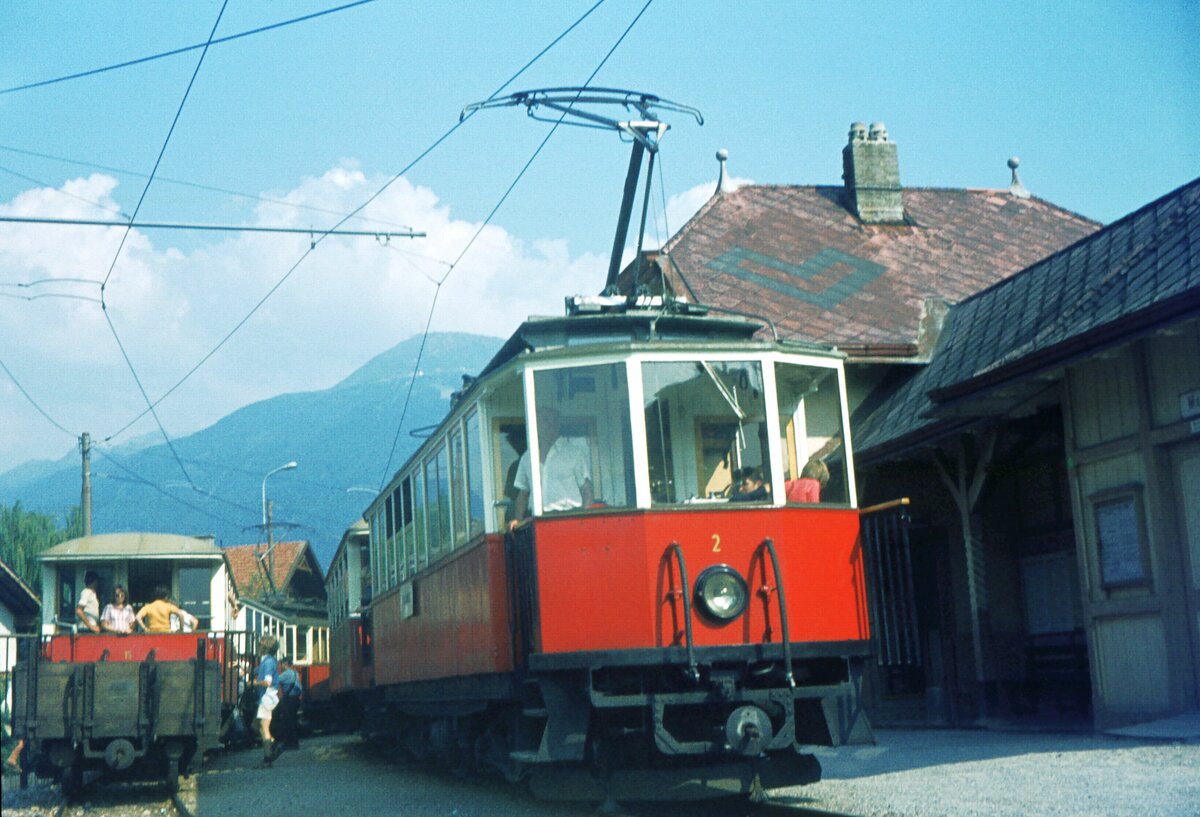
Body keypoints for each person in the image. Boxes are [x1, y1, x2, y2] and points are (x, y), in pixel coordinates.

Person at [509, 406, 593, 530]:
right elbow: (523, 494)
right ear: (536, 424)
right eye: (545, 420)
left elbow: (586, 490)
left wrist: (586, 522)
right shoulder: (527, 458)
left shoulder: (573, 453)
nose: (549, 424)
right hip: (537, 521)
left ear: (558, 424)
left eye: (553, 420)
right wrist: (518, 521)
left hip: (570, 518)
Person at [253, 635, 282, 766]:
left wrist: (253, 684)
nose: (258, 646)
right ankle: (272, 744)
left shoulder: (268, 662)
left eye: (260, 644)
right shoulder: (267, 661)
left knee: (264, 728)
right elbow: (258, 671)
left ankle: (267, 758)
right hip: (266, 698)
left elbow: (267, 682)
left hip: (267, 698)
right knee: (255, 725)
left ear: (264, 647)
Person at [273, 657, 302, 750]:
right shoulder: (295, 673)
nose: (280, 666)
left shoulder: (286, 674)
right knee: (292, 721)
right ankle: (294, 743)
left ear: (285, 664)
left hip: (289, 700)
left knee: (288, 721)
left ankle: (290, 744)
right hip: (296, 699)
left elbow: (274, 681)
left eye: (281, 664)